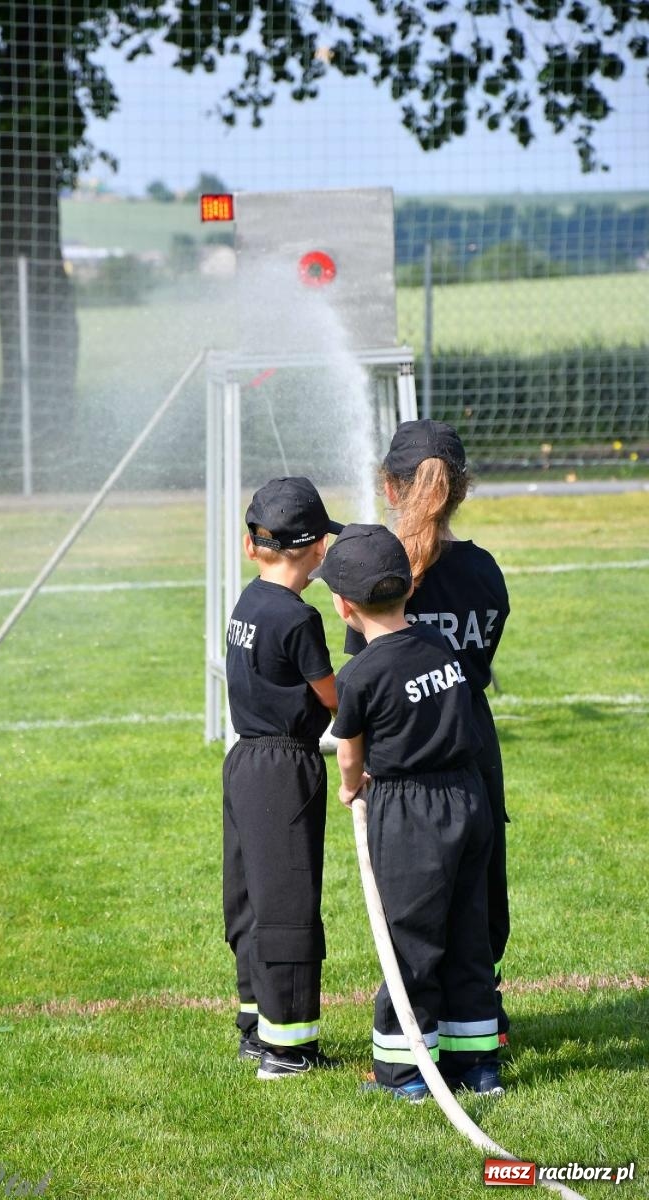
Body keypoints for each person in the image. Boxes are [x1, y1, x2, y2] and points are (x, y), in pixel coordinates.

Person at [314, 522, 503, 1101]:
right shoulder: (439, 644)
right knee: (468, 932)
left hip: (411, 811)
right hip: (468, 799)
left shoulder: (361, 673)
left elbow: (349, 749)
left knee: (410, 941)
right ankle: (478, 1065)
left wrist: (351, 788)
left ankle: (404, 1073)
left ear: (345, 606)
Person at [345, 419, 511, 1042]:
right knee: (476, 899)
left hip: (404, 770)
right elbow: (481, 665)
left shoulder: (376, 577)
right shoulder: (485, 572)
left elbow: (363, 676)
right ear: (461, 489)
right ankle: (477, 1027)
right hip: (470, 755)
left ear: (390, 487)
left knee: (412, 912)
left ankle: (416, 1040)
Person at [222, 476, 342, 1080]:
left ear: (253, 548)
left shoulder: (247, 601)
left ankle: (256, 1024)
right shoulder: (299, 619)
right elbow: (331, 697)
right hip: (284, 768)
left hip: (243, 762)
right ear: (319, 548)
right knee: (290, 902)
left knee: (250, 897)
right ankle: (287, 1049)